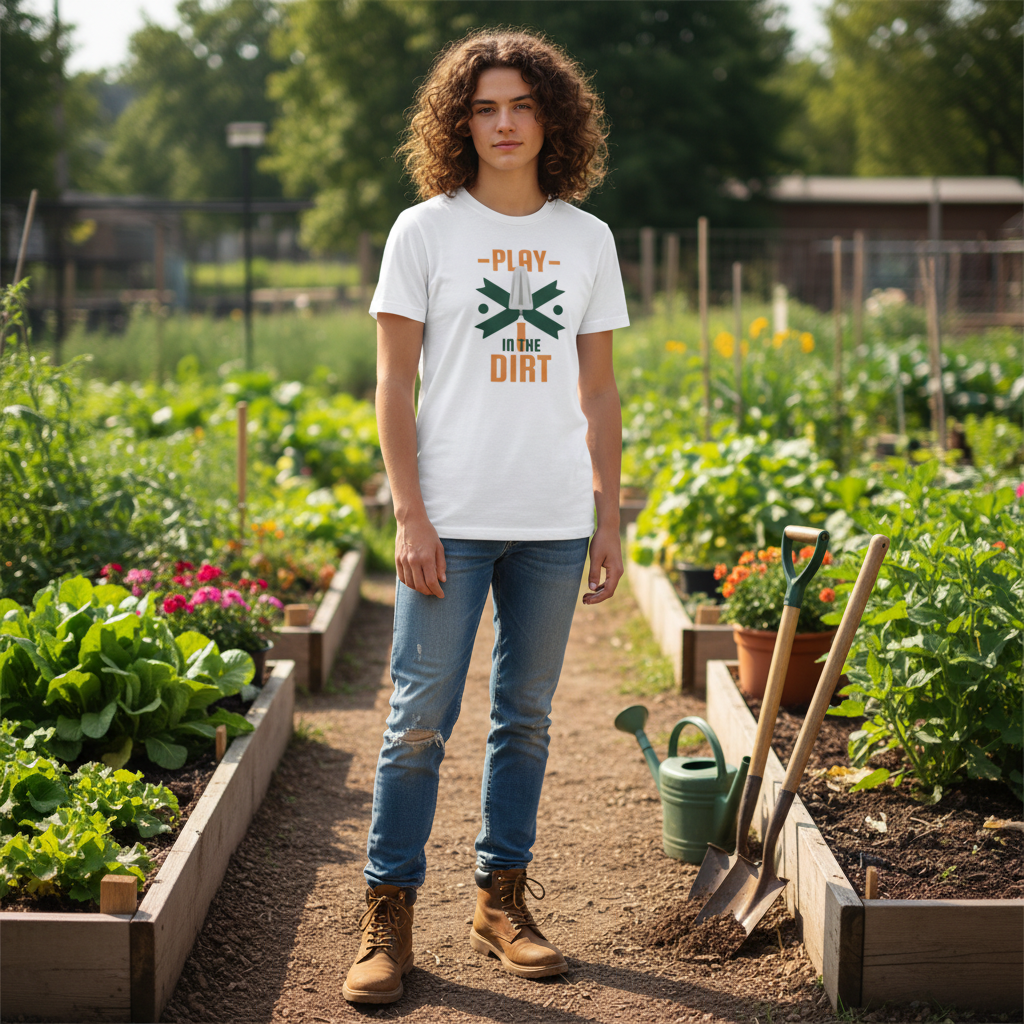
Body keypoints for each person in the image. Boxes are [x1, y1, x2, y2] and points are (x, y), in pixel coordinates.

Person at [343, 28, 629, 1005]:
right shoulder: (423, 231)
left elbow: (599, 391)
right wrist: (410, 514)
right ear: (458, 122)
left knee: (528, 720)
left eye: (519, 105)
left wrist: (609, 516)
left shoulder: (586, 240)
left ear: (552, 117)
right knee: (417, 720)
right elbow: (391, 386)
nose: (502, 123)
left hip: (552, 518)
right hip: (450, 518)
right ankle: (387, 916)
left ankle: (501, 899)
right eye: (483, 107)